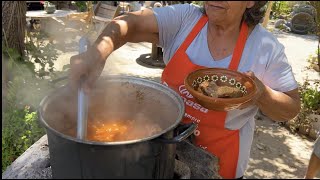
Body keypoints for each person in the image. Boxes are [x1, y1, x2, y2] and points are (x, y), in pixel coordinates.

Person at [69, 1, 301, 179]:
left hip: (222, 161)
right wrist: (98, 53)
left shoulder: (265, 47)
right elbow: (127, 24)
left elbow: (291, 108)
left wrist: (261, 94)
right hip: (166, 147)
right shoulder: (186, 19)